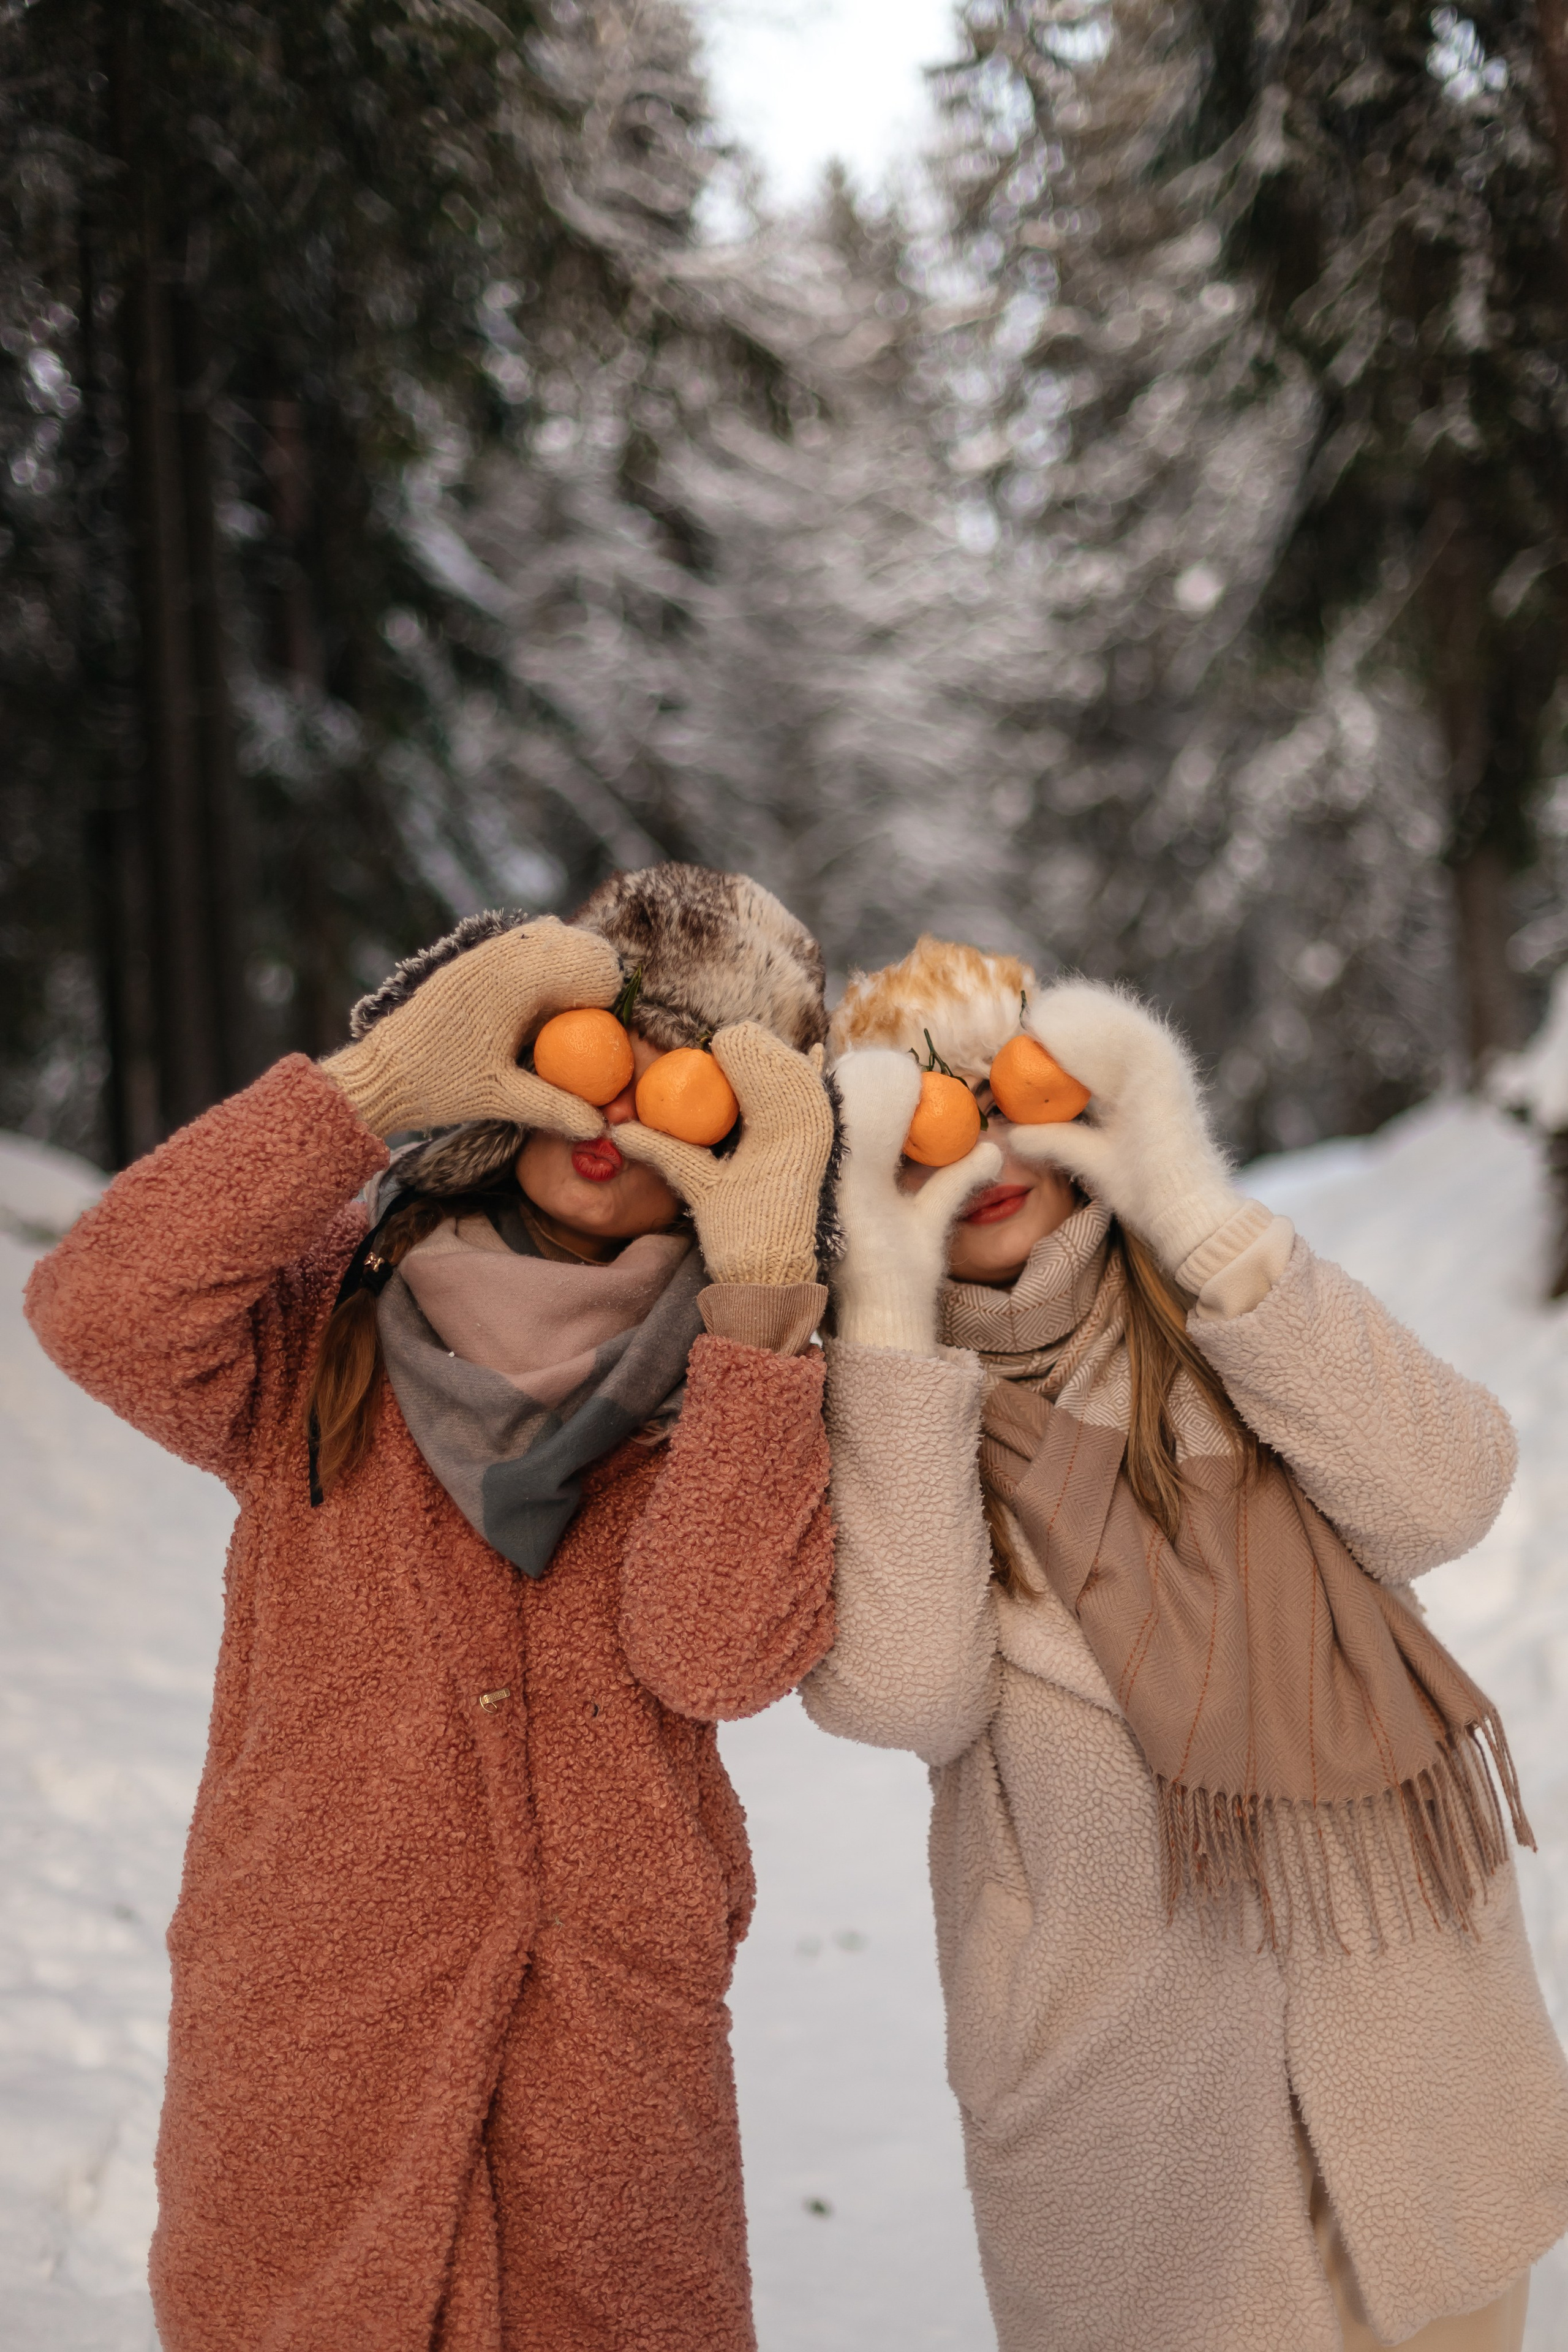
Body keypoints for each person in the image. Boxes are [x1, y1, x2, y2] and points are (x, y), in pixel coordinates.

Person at [25, 862, 839, 2352]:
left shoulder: (745, 1381)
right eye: (595, 1058)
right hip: (313, 2013)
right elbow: (98, 1307)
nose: (613, 1117)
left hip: (604, 2061)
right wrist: (376, 1085)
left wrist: (770, 1286)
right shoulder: (320, 1309)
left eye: (680, 1085)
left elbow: (713, 1653)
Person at [802, 933, 1568, 2352]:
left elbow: (1447, 1491)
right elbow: (907, 1690)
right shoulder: (877, 1411)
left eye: (1003, 1087)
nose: (980, 1143)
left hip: (1416, 2078)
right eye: (927, 1112)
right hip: (1137, 2116)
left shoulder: (1227, 1306)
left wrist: (1189, 1205)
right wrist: (892, 1316)